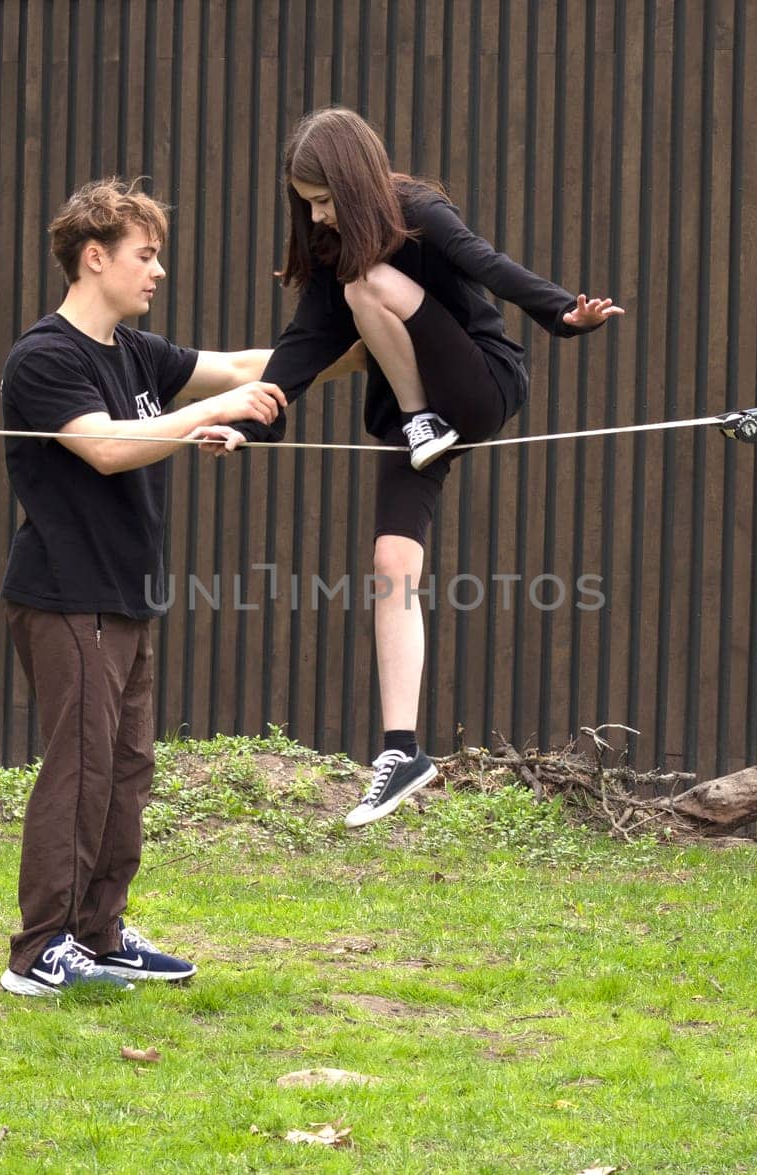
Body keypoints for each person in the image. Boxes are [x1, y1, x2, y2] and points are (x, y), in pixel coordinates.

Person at [222, 107, 623, 829]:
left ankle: (417, 415)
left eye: (324, 199)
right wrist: (252, 419)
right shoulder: (327, 245)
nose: (317, 216)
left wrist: (564, 312)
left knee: (364, 284)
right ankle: (401, 750)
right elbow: (303, 345)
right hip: (418, 428)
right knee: (391, 562)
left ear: (354, 179)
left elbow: (487, 265)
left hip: (475, 384)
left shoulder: (417, 211)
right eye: (305, 203)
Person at [0, 177, 306, 996]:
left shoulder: (137, 355)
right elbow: (102, 447)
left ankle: (98, 932)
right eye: (146, 254)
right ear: (94, 258)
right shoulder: (46, 356)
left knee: (127, 768)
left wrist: (375, 337)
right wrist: (214, 412)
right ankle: (39, 951)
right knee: (83, 768)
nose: (158, 270)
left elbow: (245, 364)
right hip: (67, 597)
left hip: (126, 599)